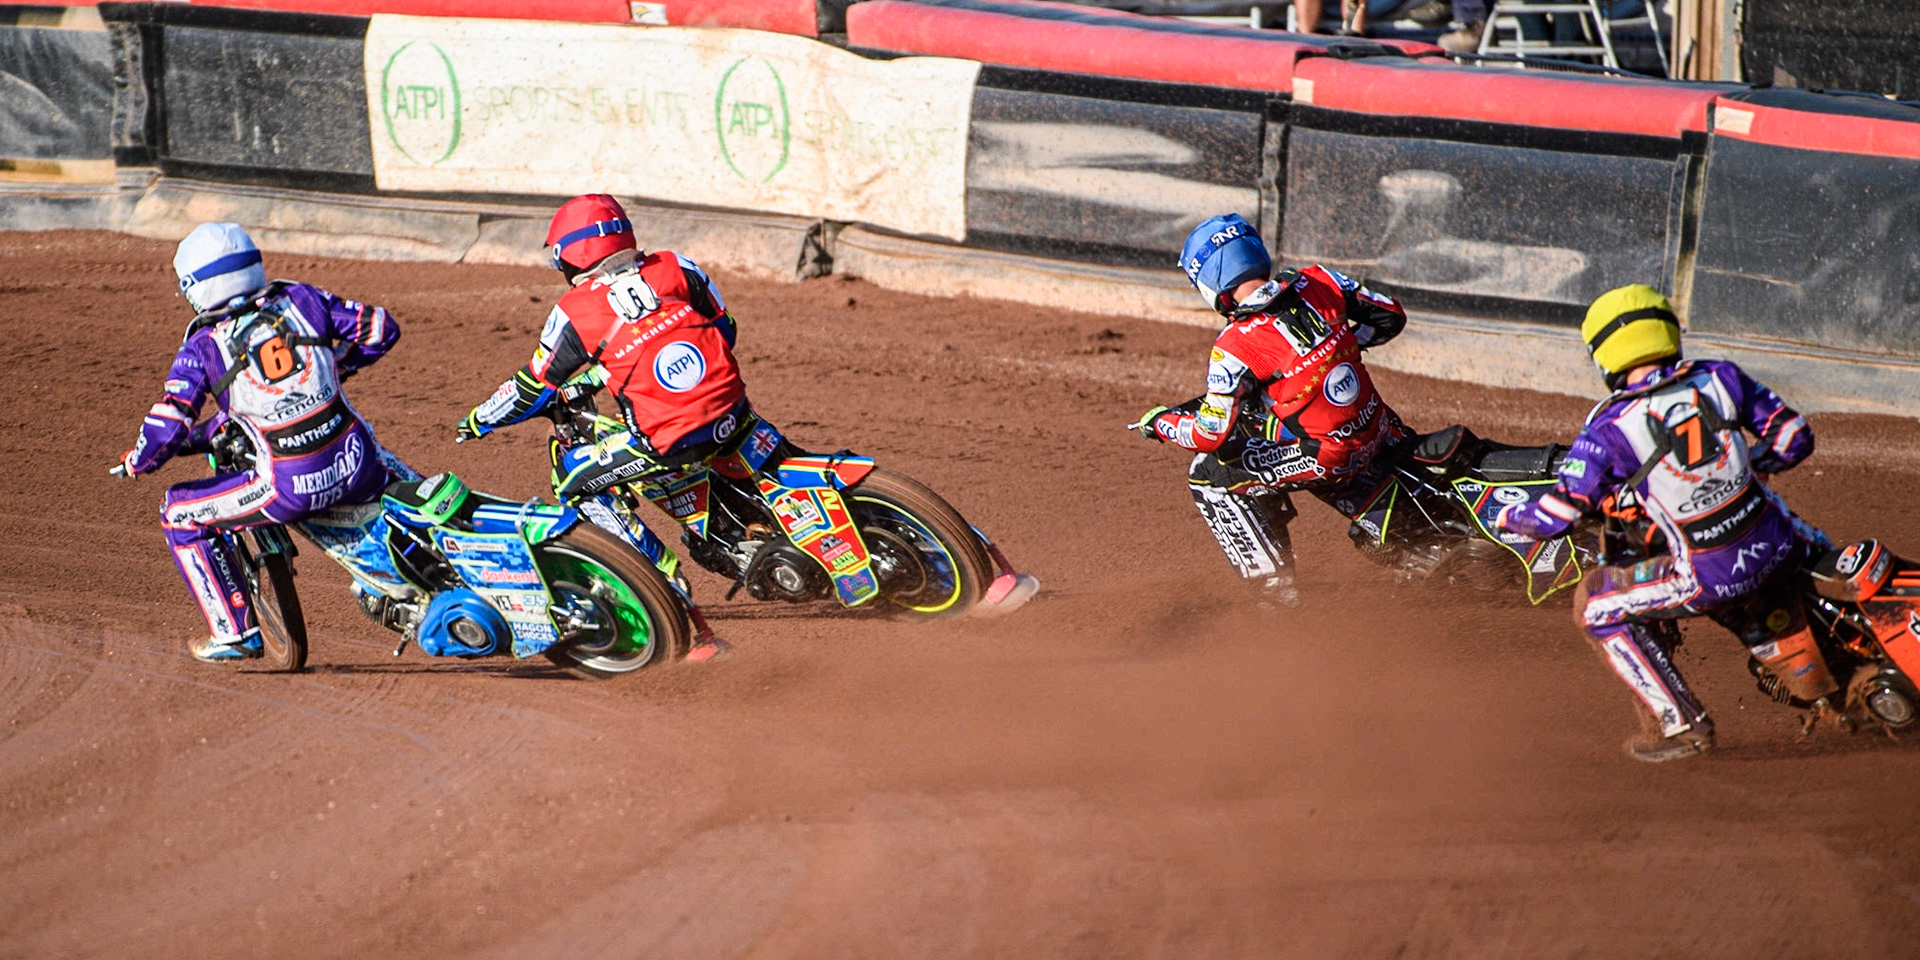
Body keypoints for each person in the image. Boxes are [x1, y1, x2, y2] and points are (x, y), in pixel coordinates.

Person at [1493, 284, 1828, 763]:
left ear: (1604, 355)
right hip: (1783, 545)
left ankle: (1681, 727)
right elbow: (1795, 438)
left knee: (1596, 608)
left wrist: (1513, 516)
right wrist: (1752, 464)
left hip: (1708, 575)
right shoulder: (1721, 377)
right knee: (1811, 550)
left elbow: (1557, 515)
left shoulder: (1609, 426)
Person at [114, 222, 402, 662]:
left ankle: (234, 632)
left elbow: (169, 425)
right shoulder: (302, 298)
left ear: (196, 286)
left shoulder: (203, 346)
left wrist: (138, 461)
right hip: (361, 462)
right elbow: (381, 328)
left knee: (177, 512)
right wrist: (332, 368)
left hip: (290, 486)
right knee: (426, 495)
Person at [1133, 214, 1411, 603]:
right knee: (1283, 428)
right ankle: (1395, 522)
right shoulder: (1320, 281)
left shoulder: (1235, 344)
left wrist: (1162, 423)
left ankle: (1274, 595)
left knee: (1210, 474)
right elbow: (1391, 317)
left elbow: (1210, 433)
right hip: (1381, 428)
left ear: (1209, 279)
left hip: (1330, 456)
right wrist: (1336, 345)